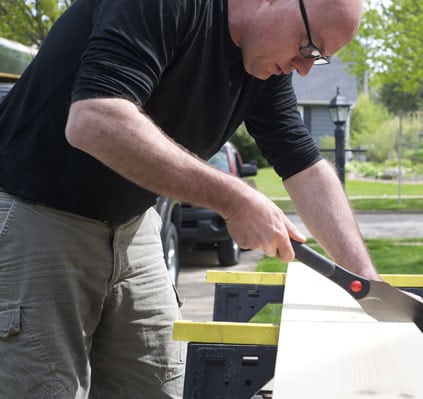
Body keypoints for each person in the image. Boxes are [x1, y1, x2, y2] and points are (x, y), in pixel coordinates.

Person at [0, 0, 377, 397]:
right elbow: (94, 119)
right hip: (38, 216)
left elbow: (303, 163)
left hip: (133, 225)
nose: (304, 67)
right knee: (44, 388)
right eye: (309, 47)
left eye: (318, 59)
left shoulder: (263, 62)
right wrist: (233, 200)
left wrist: (368, 285)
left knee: (160, 386)